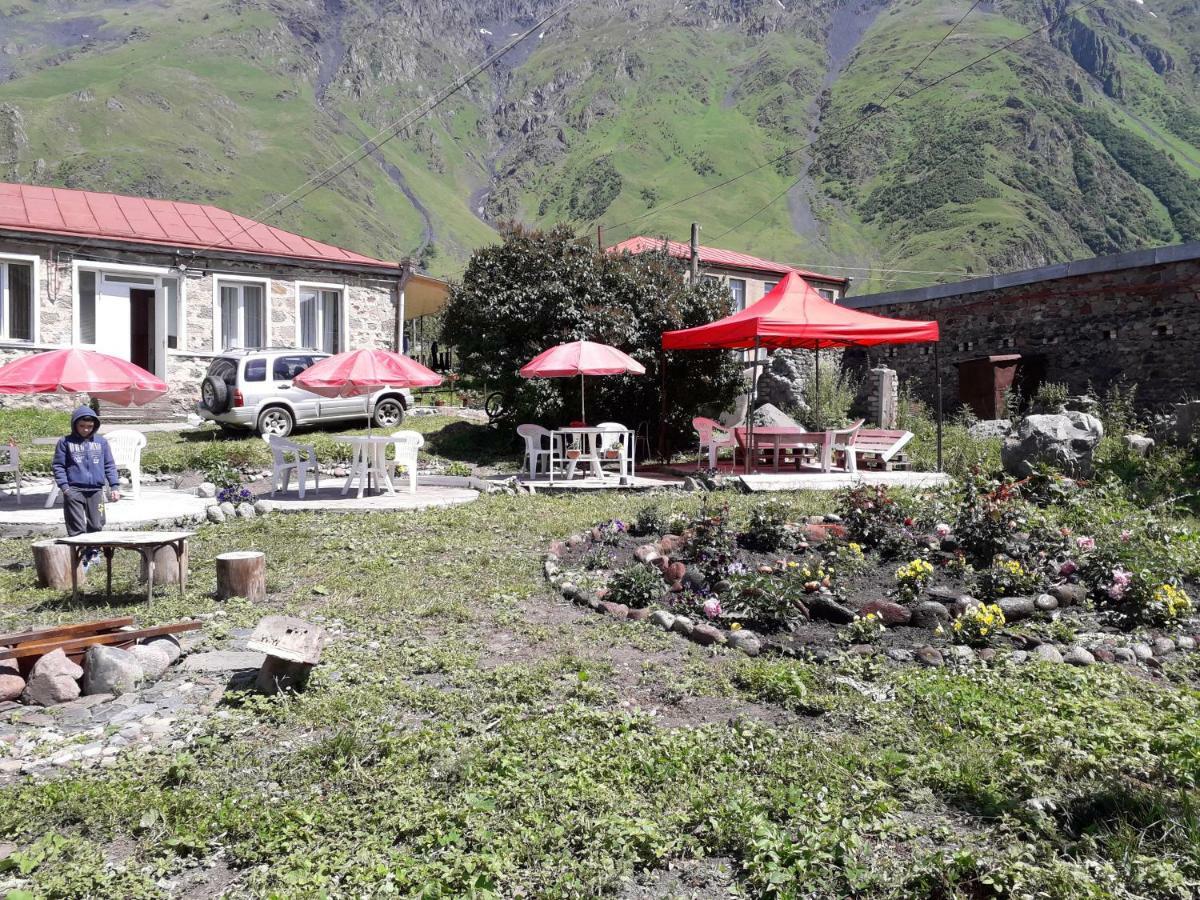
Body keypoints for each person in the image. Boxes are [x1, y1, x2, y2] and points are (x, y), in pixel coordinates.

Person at [52, 406, 121, 569]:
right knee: (76, 526)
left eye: (89, 427)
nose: (85, 429)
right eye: (82, 426)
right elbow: (58, 466)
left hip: (96, 490)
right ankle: (80, 557)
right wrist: (65, 488)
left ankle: (93, 553)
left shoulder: (101, 442)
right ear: (75, 424)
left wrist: (114, 486)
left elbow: (109, 465)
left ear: (94, 426)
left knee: (97, 524)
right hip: (74, 490)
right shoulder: (65, 442)